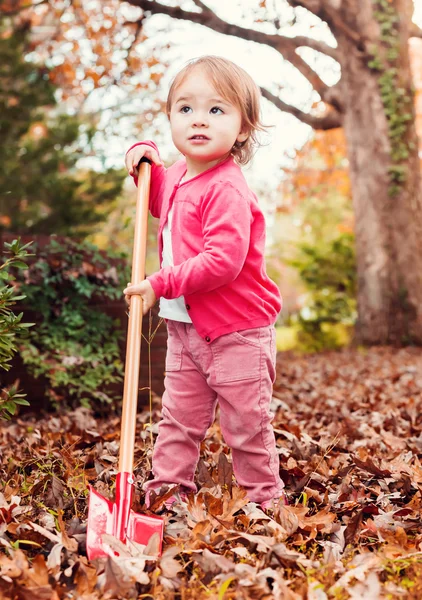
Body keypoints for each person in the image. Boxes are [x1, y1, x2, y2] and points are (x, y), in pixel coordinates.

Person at [124, 55, 287, 511]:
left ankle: (264, 503)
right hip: (185, 332)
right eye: (185, 108)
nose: (199, 119)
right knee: (178, 421)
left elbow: (223, 262)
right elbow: (152, 193)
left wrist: (161, 282)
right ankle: (166, 497)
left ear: (242, 128)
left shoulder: (227, 189)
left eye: (216, 110)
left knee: (245, 426)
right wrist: (140, 154)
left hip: (238, 333)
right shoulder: (177, 174)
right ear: (171, 118)